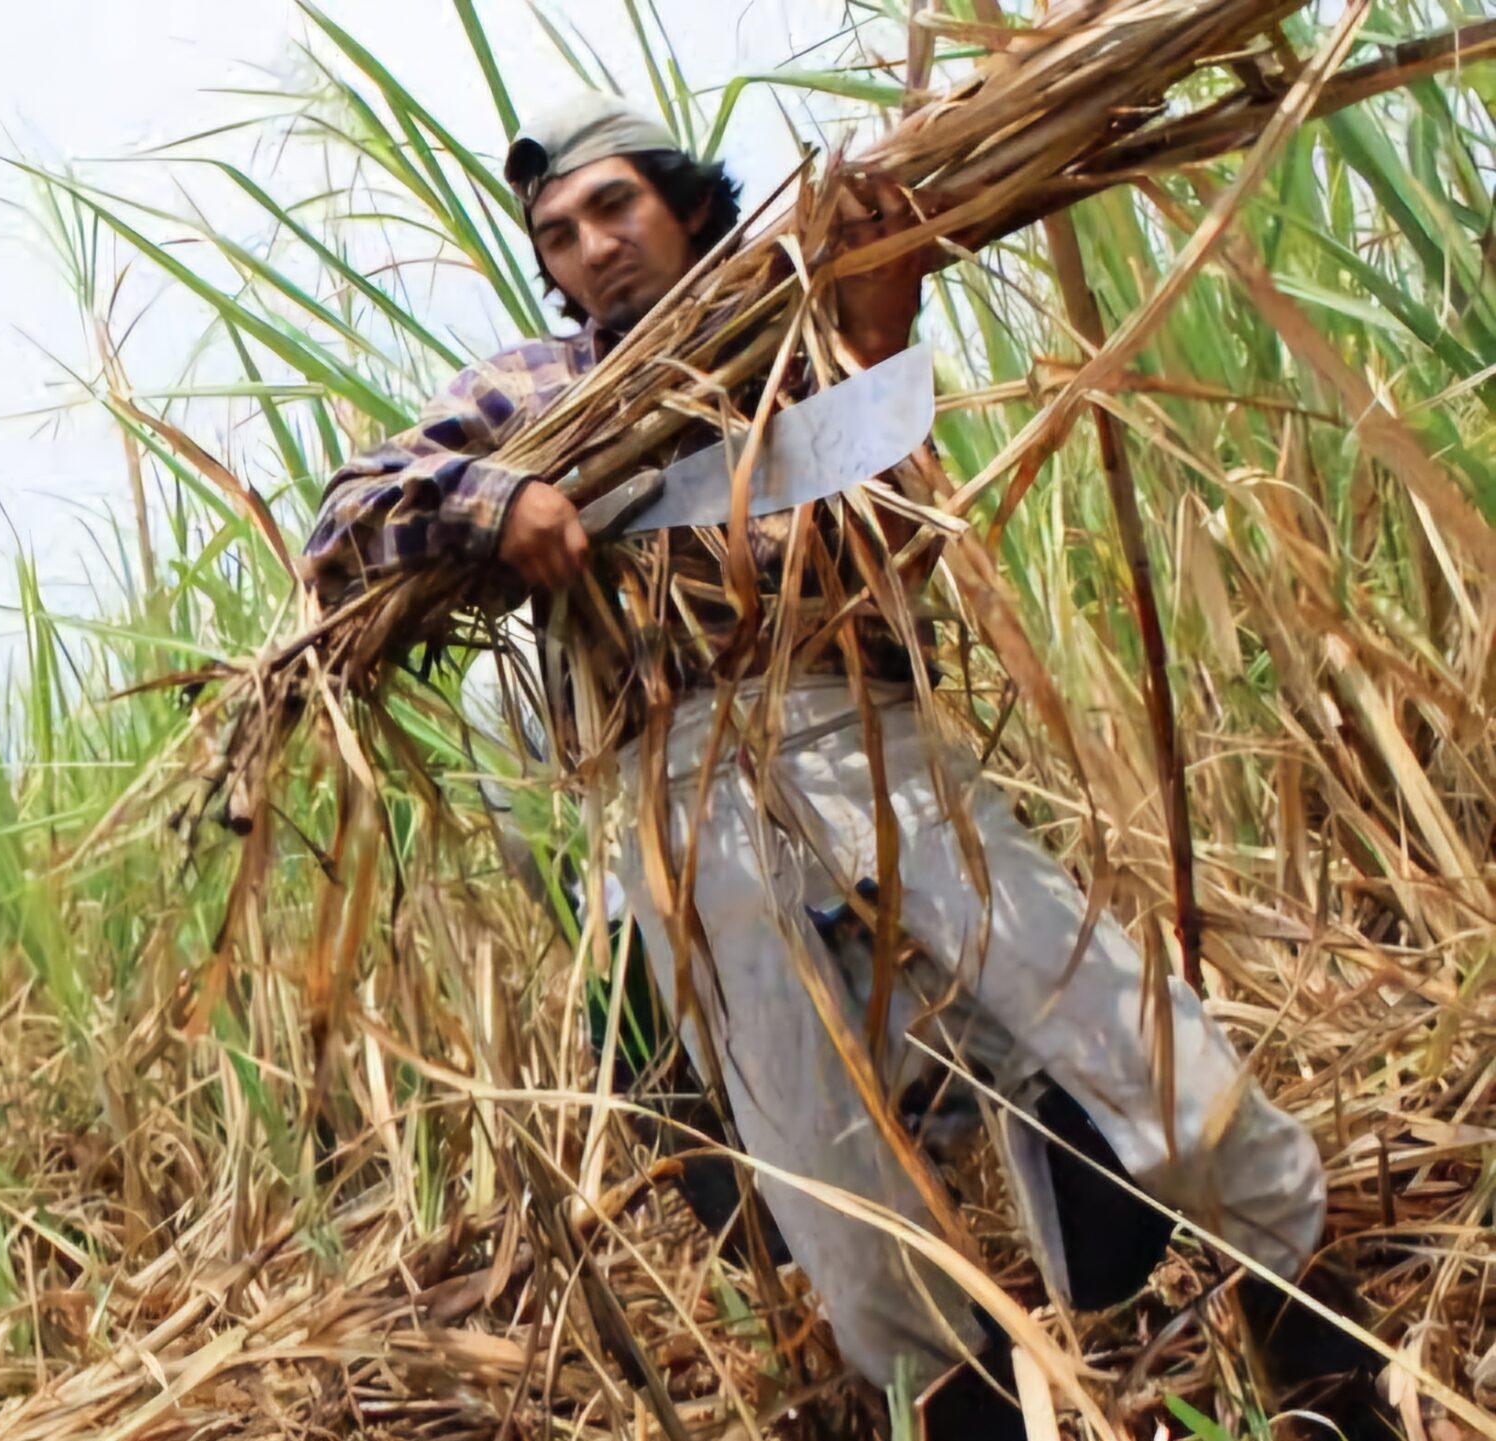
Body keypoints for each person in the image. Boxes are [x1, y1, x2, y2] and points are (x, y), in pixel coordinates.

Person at [302, 91, 1374, 1436]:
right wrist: (497, 498)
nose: (590, 247)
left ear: (690, 201)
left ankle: (1331, 1380)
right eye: (560, 233)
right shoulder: (537, 394)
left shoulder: (806, 330)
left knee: (1153, 1058)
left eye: (614, 205)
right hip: (685, 811)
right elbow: (345, 521)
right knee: (849, 1220)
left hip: (875, 750)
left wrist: (878, 336)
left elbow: (900, 547)